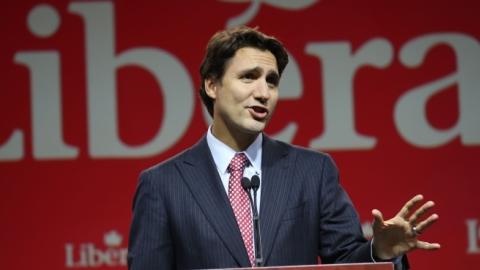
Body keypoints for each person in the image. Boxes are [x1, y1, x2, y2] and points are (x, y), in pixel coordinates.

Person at [127, 26, 440, 270]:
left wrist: (379, 252)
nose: (263, 92)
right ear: (212, 85)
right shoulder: (163, 184)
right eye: (249, 77)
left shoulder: (312, 171)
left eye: (272, 81)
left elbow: (346, 260)